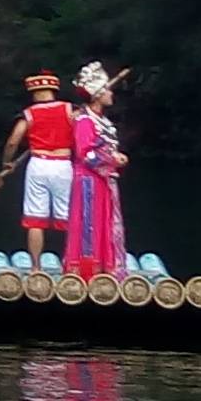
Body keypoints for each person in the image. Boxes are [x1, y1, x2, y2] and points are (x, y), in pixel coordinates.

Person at [3, 70, 77, 266]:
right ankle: (71, 264)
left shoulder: (28, 114)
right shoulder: (71, 110)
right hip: (63, 165)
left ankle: (36, 267)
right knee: (69, 216)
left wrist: (7, 162)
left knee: (35, 219)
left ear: (34, 92)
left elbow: (13, 142)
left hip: (38, 164)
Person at [69, 59, 130, 275]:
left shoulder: (101, 121)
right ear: (97, 95)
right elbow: (85, 153)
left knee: (104, 222)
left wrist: (114, 160)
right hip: (88, 180)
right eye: (107, 91)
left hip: (103, 180)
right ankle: (86, 270)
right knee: (89, 224)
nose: (111, 94)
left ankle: (106, 266)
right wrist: (113, 160)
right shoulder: (85, 121)